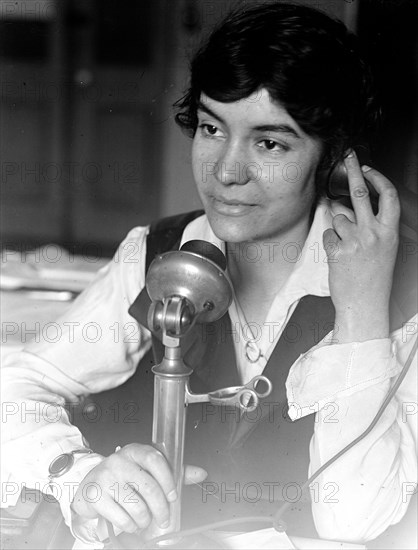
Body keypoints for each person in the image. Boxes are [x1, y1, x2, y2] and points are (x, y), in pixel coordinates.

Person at [1, 2, 417, 547]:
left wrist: (363, 311)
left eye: (269, 143)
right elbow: (15, 388)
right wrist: (76, 473)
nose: (226, 171)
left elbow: (356, 518)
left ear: (335, 155)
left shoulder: (405, 292)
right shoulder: (158, 251)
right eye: (211, 128)